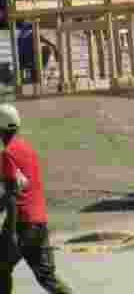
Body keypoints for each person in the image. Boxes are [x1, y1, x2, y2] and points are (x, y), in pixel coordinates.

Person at [0, 104, 73, 293]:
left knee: (1, 268)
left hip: (21, 224)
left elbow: (12, 195)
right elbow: (22, 189)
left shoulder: (7, 154)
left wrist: (11, 234)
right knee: (47, 277)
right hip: (39, 222)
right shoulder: (28, 150)